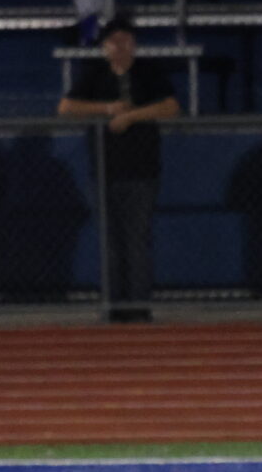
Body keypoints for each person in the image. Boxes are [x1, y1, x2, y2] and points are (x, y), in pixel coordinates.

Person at [59, 16, 177, 321]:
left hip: (142, 170)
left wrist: (132, 116)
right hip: (104, 170)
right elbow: (66, 107)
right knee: (109, 242)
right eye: (115, 41)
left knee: (137, 239)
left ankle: (138, 306)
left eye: (127, 41)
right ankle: (113, 305)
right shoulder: (95, 74)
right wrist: (107, 108)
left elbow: (170, 106)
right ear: (104, 46)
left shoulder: (148, 72)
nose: (121, 47)